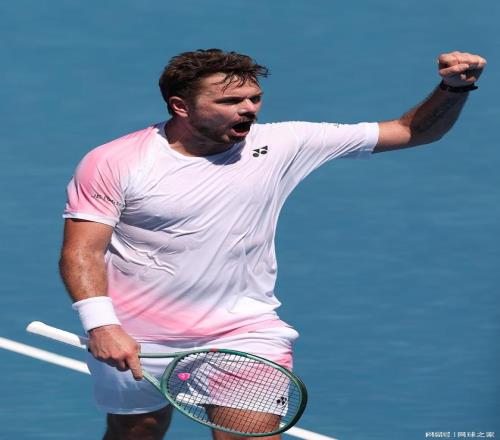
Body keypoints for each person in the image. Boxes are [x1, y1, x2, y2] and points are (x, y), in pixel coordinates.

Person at [59, 48, 486, 440]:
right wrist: (102, 325)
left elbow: (412, 131)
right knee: (137, 431)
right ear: (180, 106)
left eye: (254, 98)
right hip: (136, 333)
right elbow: (82, 251)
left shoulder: (282, 143)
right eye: (230, 101)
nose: (248, 109)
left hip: (243, 331)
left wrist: (454, 88)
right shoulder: (116, 162)